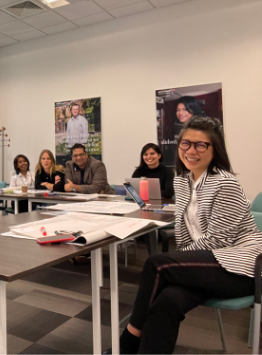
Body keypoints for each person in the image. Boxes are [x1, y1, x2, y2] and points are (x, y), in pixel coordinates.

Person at [110, 116, 262, 354]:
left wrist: (179, 262)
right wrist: (182, 262)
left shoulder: (225, 183)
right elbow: (184, 233)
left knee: (157, 265)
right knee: (168, 300)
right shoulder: (182, 180)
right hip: (206, 267)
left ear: (215, 148)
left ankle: (128, 342)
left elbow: (217, 241)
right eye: (186, 143)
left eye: (201, 145)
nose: (191, 150)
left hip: (239, 267)